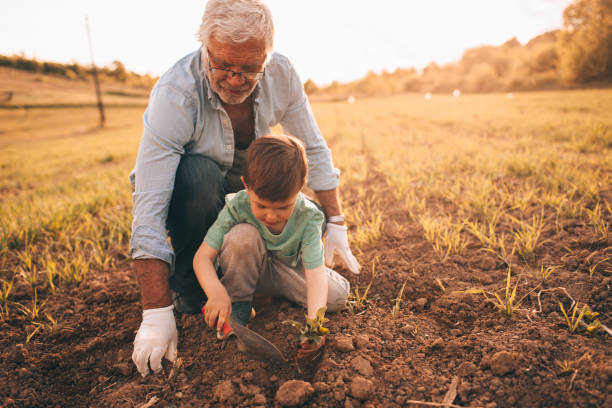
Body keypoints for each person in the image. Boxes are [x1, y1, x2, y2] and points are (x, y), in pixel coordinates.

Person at [130, 0, 360, 377]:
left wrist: (335, 220)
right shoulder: (176, 94)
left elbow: (313, 147)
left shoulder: (281, 74)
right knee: (197, 175)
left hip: (255, 191)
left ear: (266, 57)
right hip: (199, 196)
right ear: (205, 48)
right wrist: (155, 313)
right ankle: (194, 291)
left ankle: (255, 270)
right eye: (223, 65)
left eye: (250, 68)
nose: (236, 79)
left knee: (295, 213)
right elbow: (149, 206)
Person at [194, 135, 350, 359]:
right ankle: (240, 304)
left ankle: (271, 294)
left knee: (337, 297)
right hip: (247, 266)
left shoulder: (309, 217)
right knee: (241, 237)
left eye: (283, 207)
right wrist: (216, 292)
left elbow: (314, 275)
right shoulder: (237, 205)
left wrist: (315, 325)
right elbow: (202, 258)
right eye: (262, 206)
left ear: (300, 189)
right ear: (246, 186)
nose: (271, 215)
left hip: (285, 270)